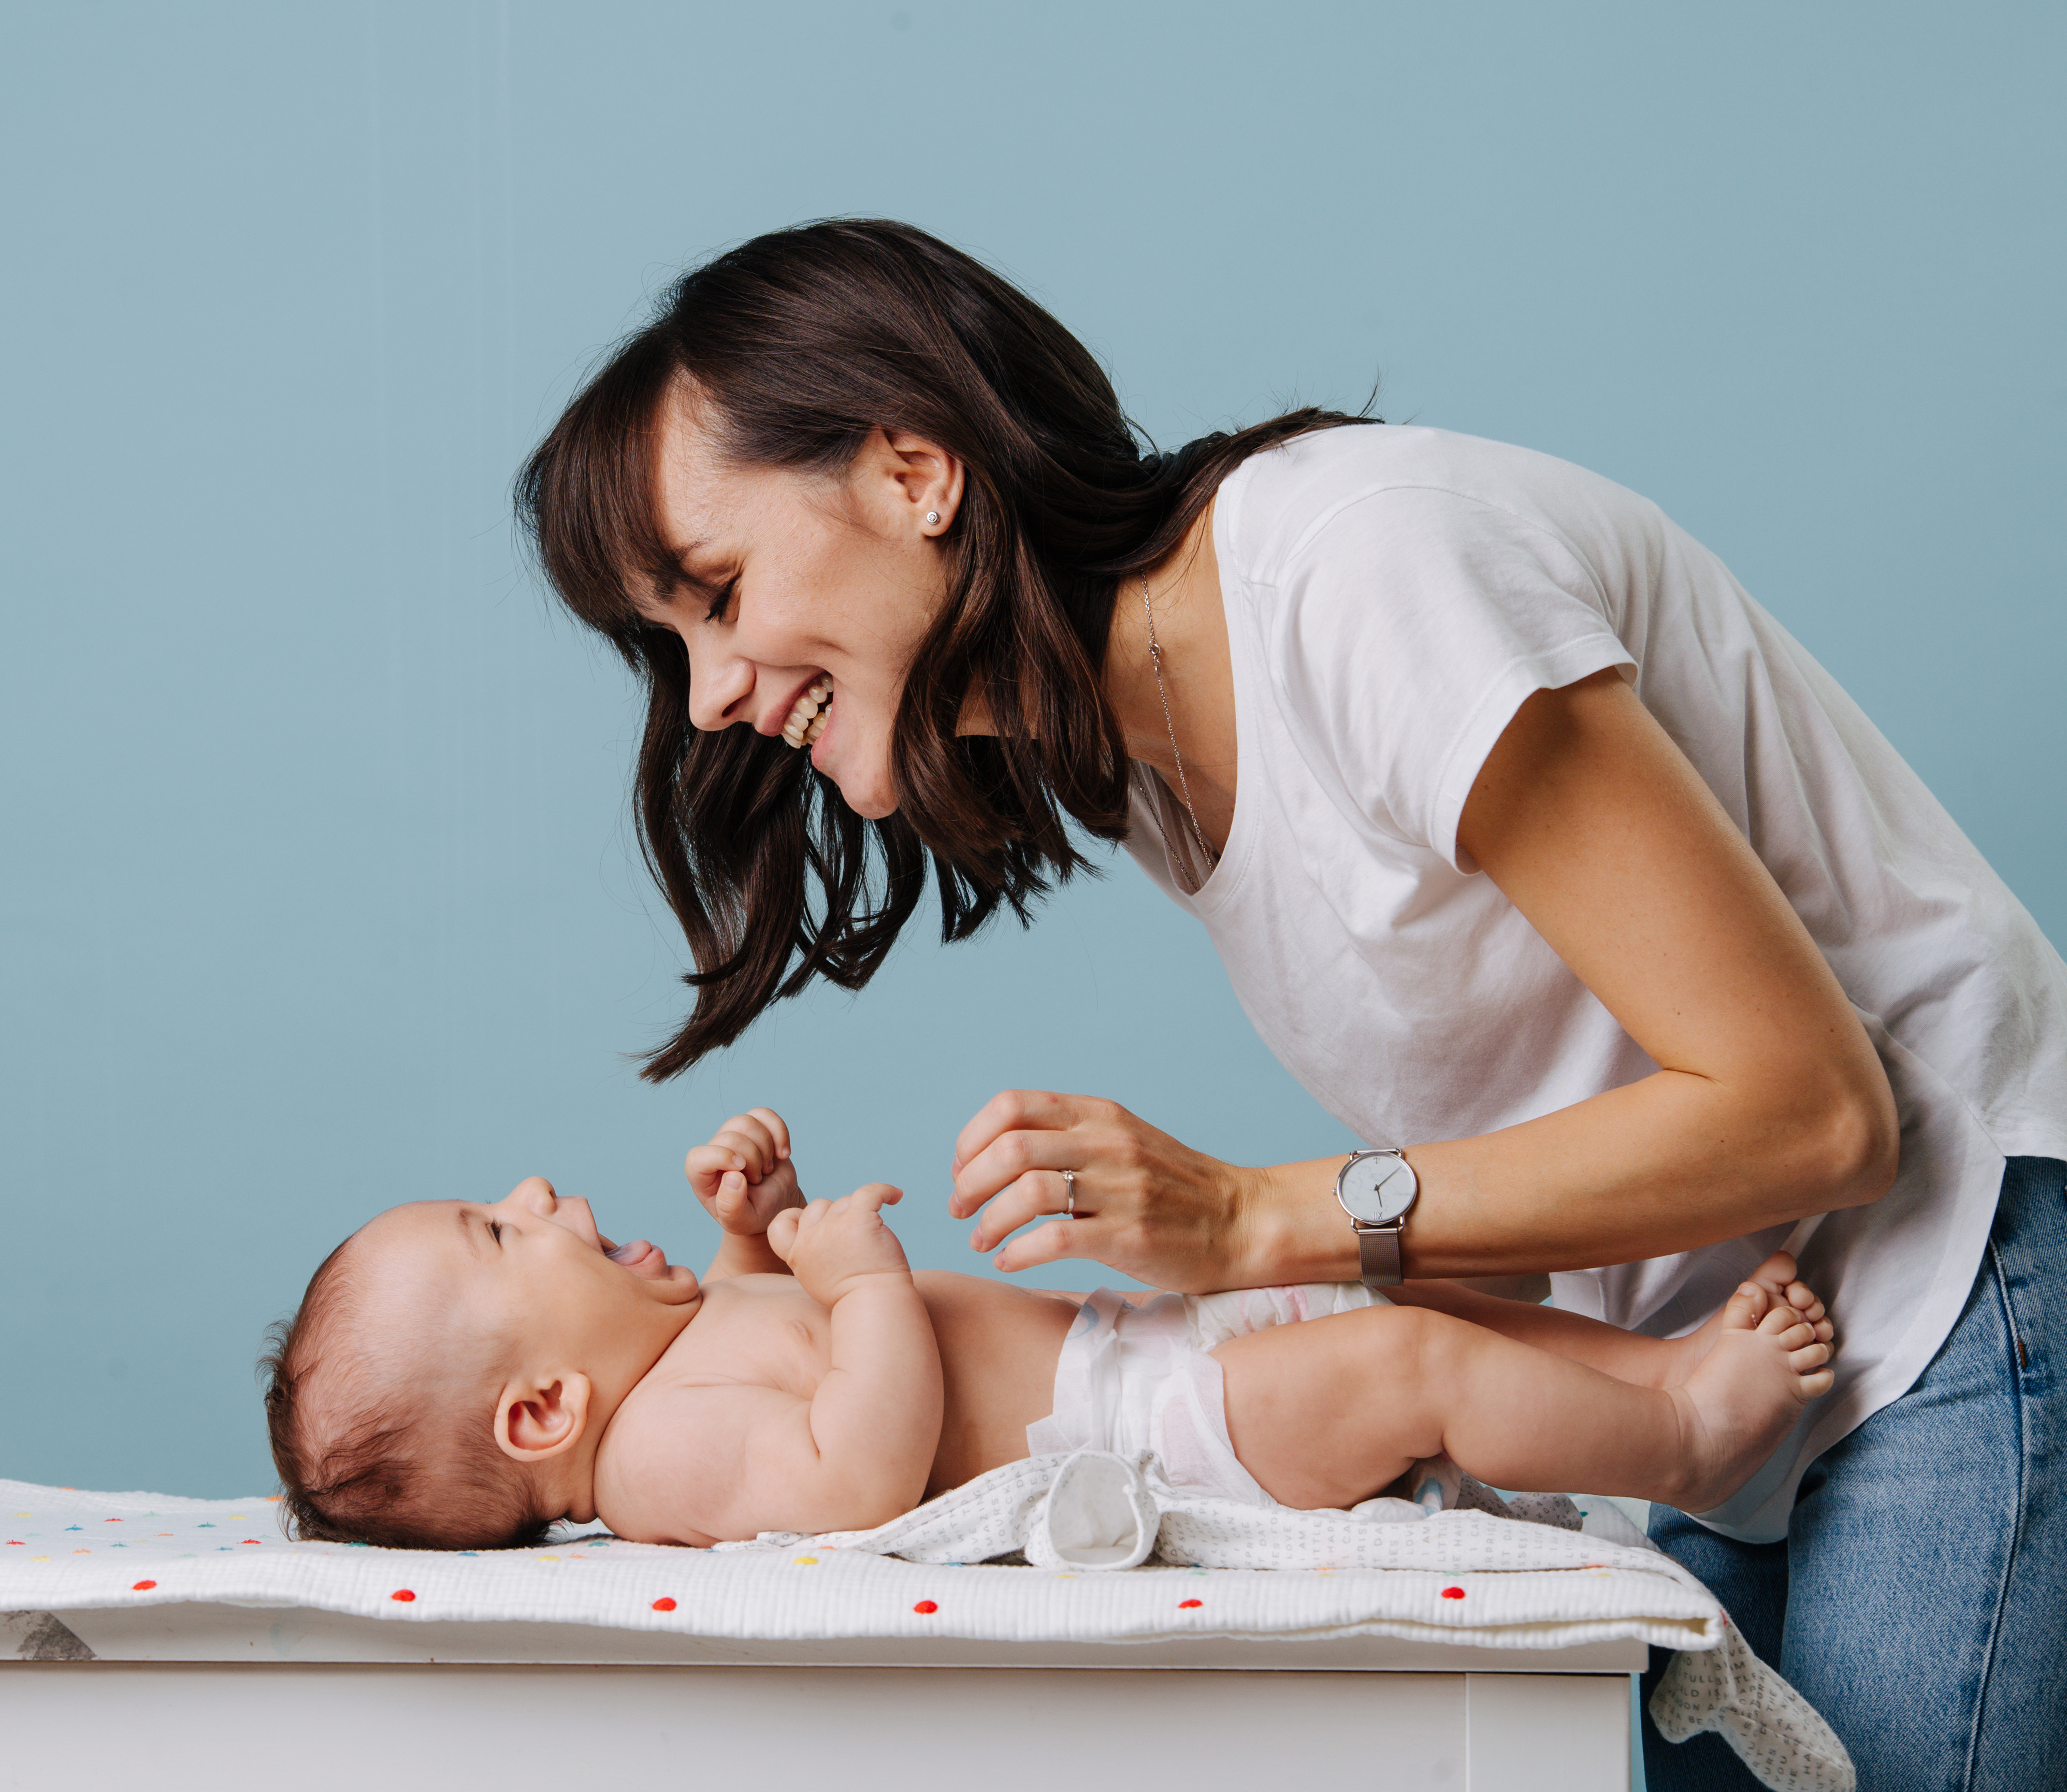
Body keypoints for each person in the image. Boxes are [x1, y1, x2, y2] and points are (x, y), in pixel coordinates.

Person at [511, 219, 2064, 1790]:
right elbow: (1550, 1119)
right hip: (1737, 1359)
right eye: (674, 644)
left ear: (916, 473)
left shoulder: (1362, 575)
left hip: (1950, 1283)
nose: (708, 693)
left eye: (716, 592)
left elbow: (1816, 1110)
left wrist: (1259, 1223)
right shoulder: (1154, 768)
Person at [261, 1109, 1835, 1551]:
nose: (536, 1187)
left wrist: (763, 1221)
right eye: (497, 1227)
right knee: (1405, 1368)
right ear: (542, 1415)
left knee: (1411, 1292)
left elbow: (758, 1322)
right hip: (1147, 1444)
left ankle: (1665, 1382)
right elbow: (847, 1474)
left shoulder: (666, 1358)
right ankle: (1692, 1442)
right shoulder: (659, 1457)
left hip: (1139, 1348)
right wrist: (864, 1282)